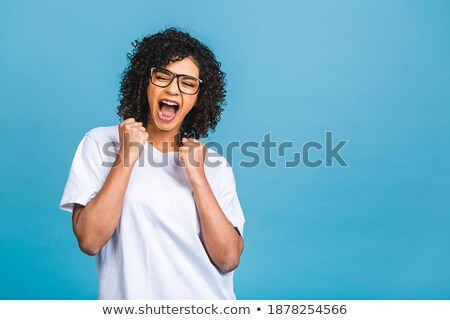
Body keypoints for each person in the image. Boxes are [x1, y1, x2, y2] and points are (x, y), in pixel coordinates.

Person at [59, 28, 245, 299]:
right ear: (145, 82)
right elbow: (89, 240)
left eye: (188, 83)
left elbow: (228, 259)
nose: (173, 88)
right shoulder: (100, 143)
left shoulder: (213, 165)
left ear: (198, 98)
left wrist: (199, 179)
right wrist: (127, 156)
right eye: (163, 77)